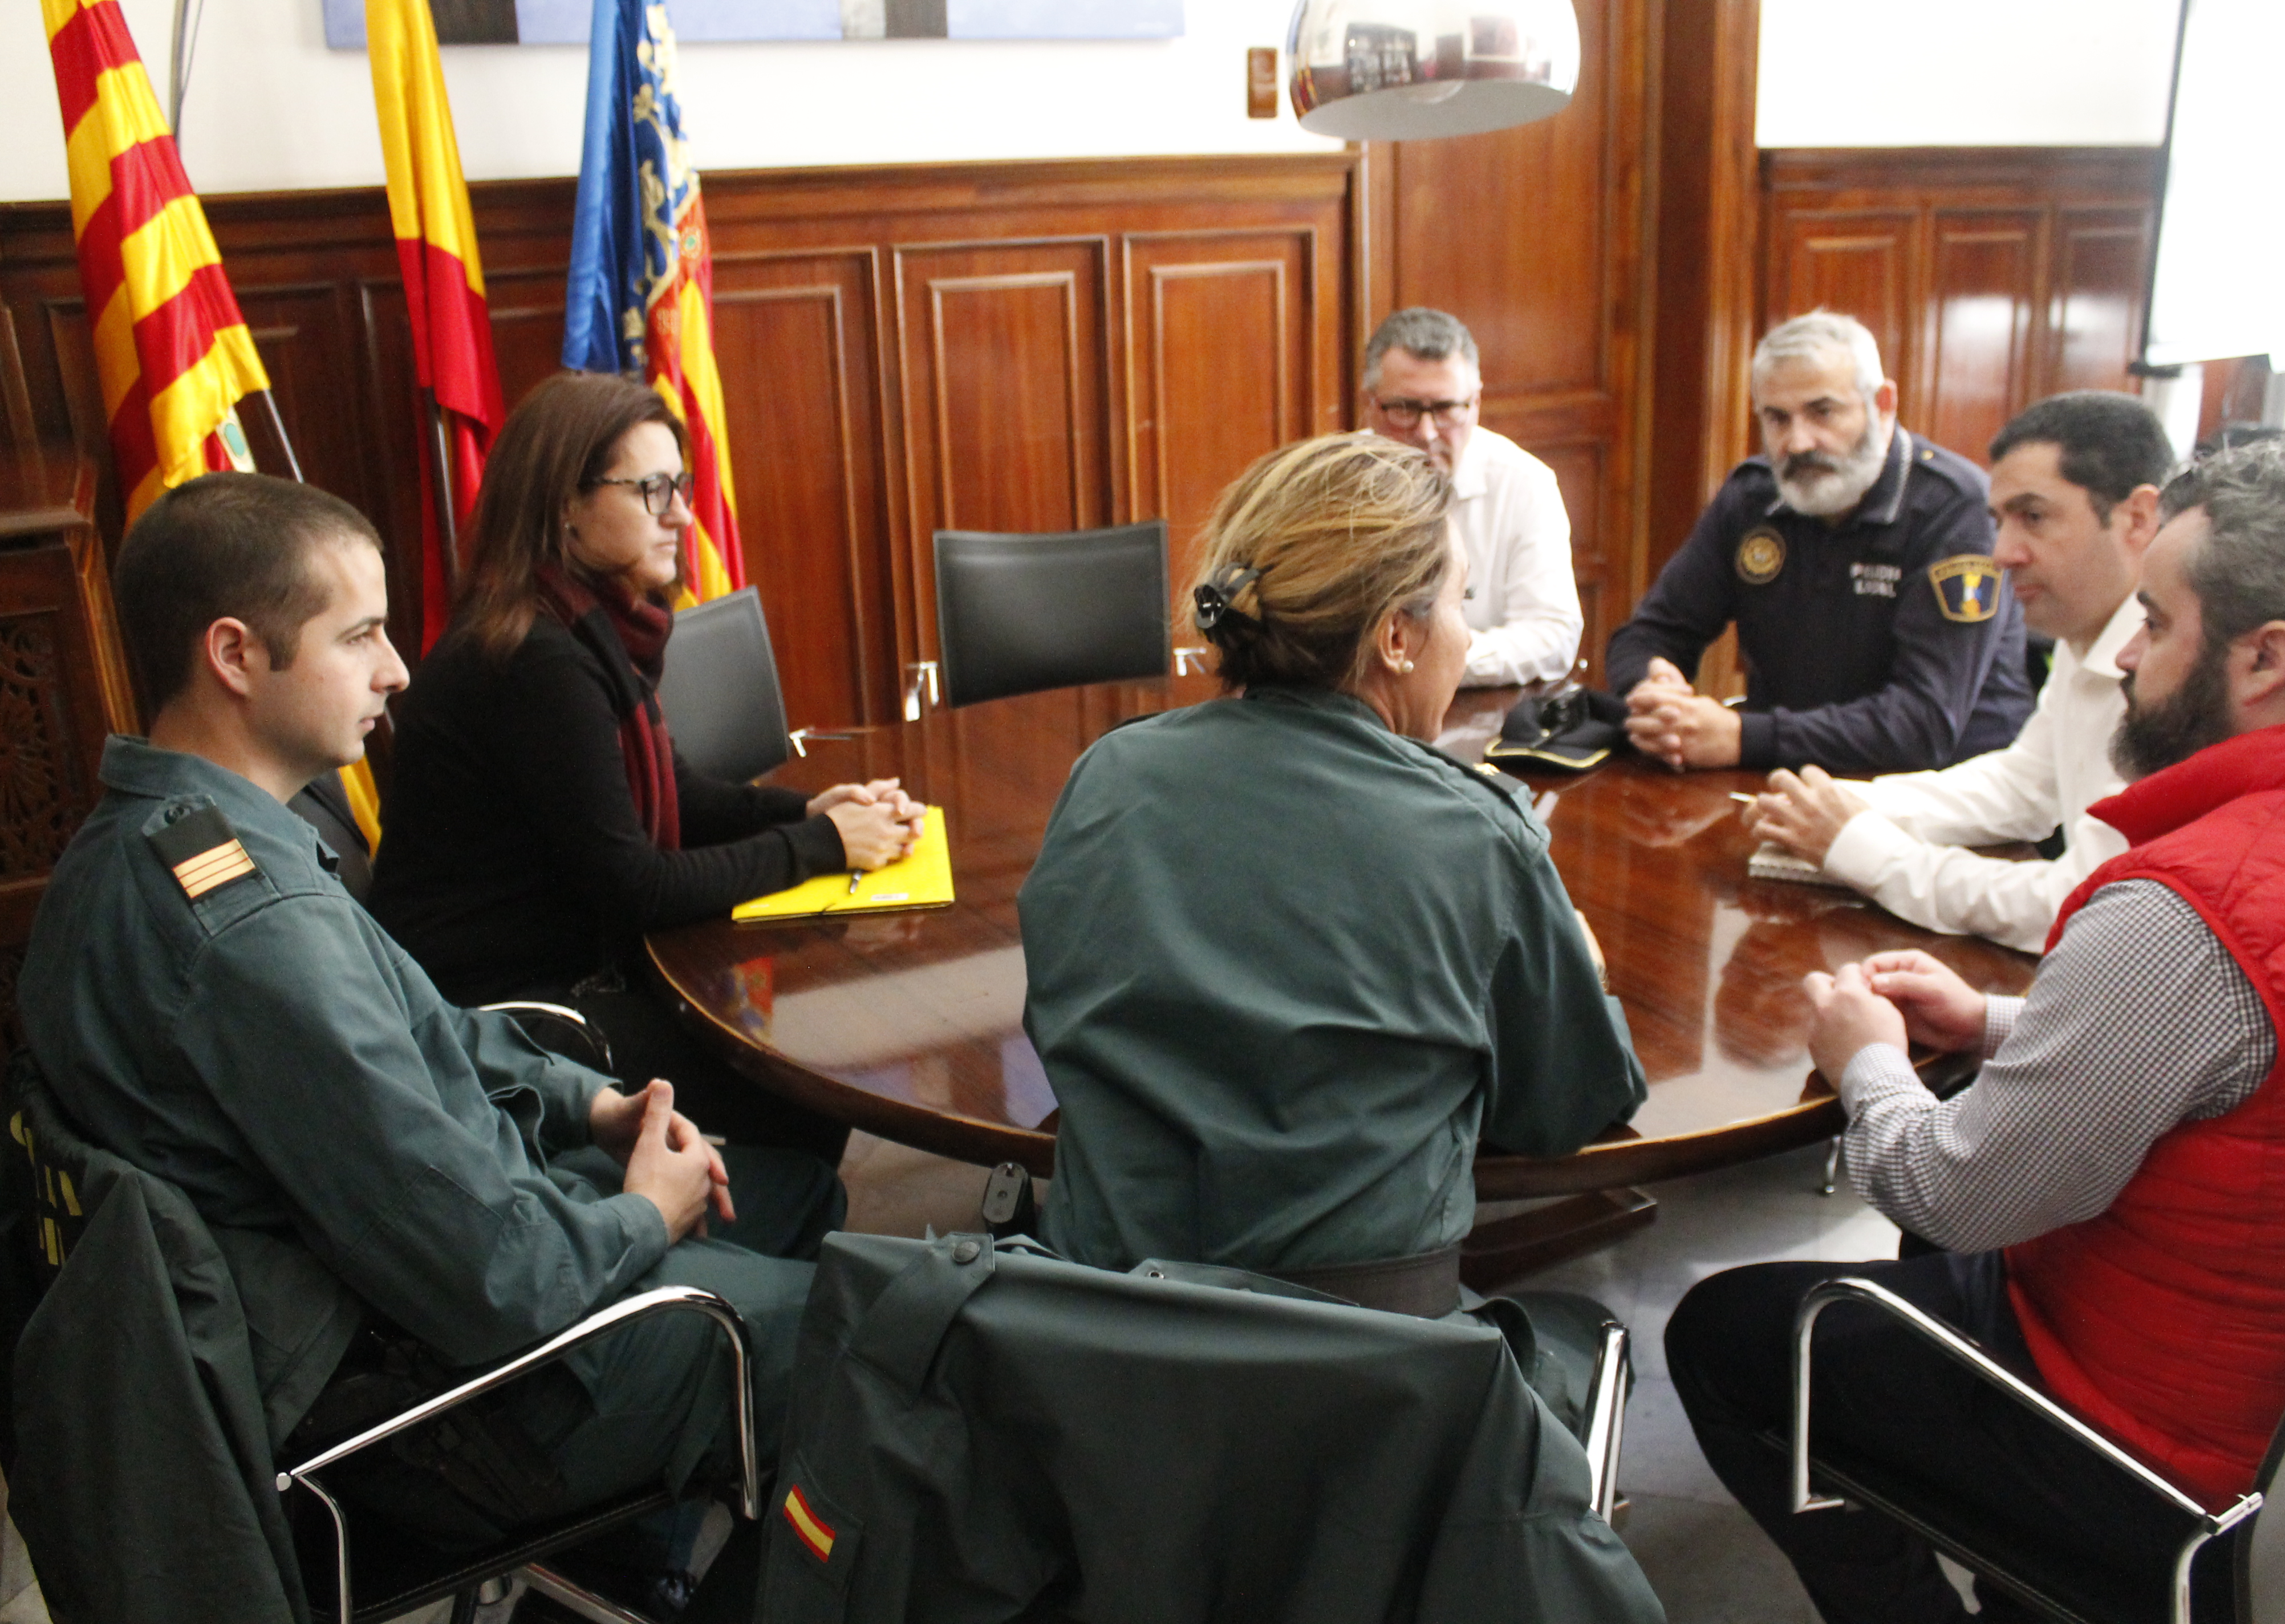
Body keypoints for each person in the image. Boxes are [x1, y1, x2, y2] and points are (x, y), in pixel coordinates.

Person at [18, 473, 842, 1613]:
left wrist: (589, 1109)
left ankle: (635, 1544)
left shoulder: (150, 846)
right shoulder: (250, 927)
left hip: (376, 1312)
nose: (398, 669)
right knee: (859, 1335)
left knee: (788, 1187)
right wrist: (644, 1211)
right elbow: (504, 1277)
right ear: (235, 655)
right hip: (427, 1412)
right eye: (358, 635)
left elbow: (431, 1028)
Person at [1666, 435, 2285, 1623]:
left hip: (2153, 1472)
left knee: (1729, 1331)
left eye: (2159, 623)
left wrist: (1864, 1057)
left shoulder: (2185, 913)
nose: (2122, 656)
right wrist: (2000, 1018)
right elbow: (2281, 1055)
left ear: (2267, 658)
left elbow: (1953, 1191)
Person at [1021, 433, 1649, 1394]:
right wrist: (1576, 967)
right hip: (1368, 1392)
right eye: (1459, 604)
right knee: (1584, 1330)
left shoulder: (1108, 773)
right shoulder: (1476, 833)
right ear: (1395, 637)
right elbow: (1567, 1108)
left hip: (1095, 1358)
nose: (1467, 637)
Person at [368, 371, 922, 1151]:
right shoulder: (538, 658)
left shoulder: (582, 623)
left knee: (798, 1047)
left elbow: (678, 793)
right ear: (565, 505)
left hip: (569, 960)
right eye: (654, 490)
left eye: (682, 488)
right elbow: (636, 885)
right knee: (798, 1071)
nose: (684, 515)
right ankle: (748, 1257)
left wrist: (809, 809)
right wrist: (822, 847)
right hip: (500, 1011)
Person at [1744, 391, 2174, 952]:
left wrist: (1864, 848)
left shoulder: (2180, 667)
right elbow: (2024, 786)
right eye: (2000, 521)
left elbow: (2085, 901)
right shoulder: (2088, 623)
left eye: (2034, 517)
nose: (2002, 552)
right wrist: (1845, 807)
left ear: (2137, 517)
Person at [1607, 311, 2034, 774]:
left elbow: (1922, 725)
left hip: (1949, 792)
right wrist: (1654, 688)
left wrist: (1741, 736)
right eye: (1777, 419)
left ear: (1883, 404)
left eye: (1823, 412)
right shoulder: (1753, 497)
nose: (1798, 442)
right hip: (1792, 772)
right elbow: (1649, 634)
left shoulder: (1956, 508)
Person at [1363, 307, 1583, 686]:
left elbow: (1552, 636)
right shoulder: (1331, 482)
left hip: (1480, 711)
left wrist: (1431, 662)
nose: (1427, 433)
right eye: (1404, 409)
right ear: (1371, 403)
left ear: (1476, 403)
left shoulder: (1525, 484)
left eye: (1446, 409)